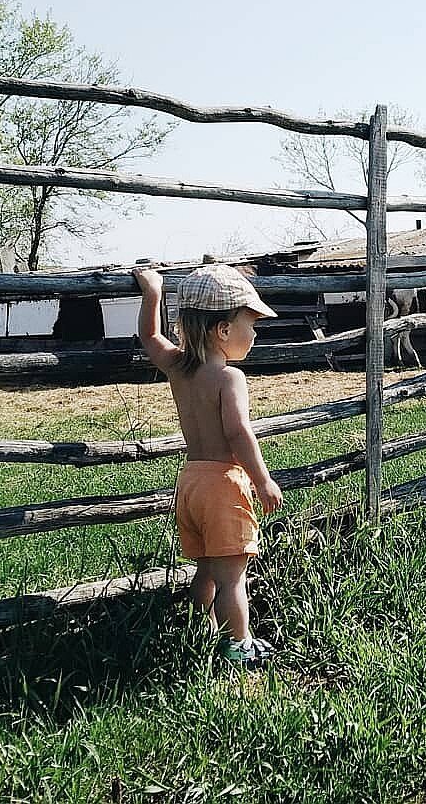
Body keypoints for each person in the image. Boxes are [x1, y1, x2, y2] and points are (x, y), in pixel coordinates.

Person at [132, 263, 284, 668]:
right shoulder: (229, 377)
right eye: (250, 324)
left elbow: (149, 336)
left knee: (208, 570)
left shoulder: (179, 368)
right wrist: (262, 479)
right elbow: (238, 434)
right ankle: (240, 645)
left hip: (191, 482)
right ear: (222, 330)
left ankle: (199, 632)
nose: (254, 335)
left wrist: (152, 291)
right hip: (222, 484)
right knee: (233, 576)